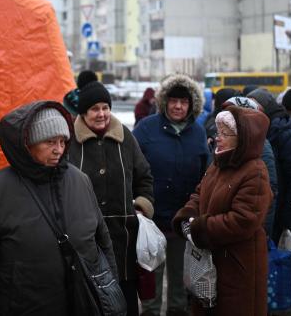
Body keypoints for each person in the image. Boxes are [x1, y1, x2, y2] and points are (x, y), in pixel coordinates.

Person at [0, 101, 119, 315]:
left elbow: (103, 240)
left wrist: (110, 289)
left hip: (83, 303)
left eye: (63, 141)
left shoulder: (80, 180)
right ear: (28, 143)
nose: (59, 149)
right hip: (24, 307)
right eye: (50, 141)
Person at [172, 106, 273, 316]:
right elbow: (199, 195)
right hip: (211, 261)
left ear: (243, 138)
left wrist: (198, 228)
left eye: (225, 133)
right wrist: (186, 217)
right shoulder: (219, 163)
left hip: (237, 267)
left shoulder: (255, 171)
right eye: (218, 132)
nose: (218, 138)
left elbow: (242, 221)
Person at [68, 81, 154, 316]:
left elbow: (144, 176)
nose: (102, 114)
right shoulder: (70, 142)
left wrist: (142, 207)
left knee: (125, 301)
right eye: (95, 108)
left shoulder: (124, 137)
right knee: (91, 300)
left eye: (106, 107)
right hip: (86, 238)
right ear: (84, 112)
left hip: (123, 238)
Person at [133, 73, 209, 316]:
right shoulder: (146, 129)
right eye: (173, 101)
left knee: (180, 278)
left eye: (184, 102)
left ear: (192, 105)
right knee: (150, 278)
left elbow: (206, 174)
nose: (178, 106)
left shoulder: (198, 133)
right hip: (151, 219)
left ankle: (177, 311)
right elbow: (132, 167)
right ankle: (151, 312)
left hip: (182, 220)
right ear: (164, 102)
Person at [248, 88, 291, 242]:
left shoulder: (285, 133)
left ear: (266, 107)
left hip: (282, 215)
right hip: (266, 213)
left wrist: (288, 218)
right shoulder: (256, 131)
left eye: (255, 106)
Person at [221, 96, 278, 236]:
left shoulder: (262, 147)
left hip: (245, 232)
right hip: (223, 226)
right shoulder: (222, 142)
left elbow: (268, 194)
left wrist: (263, 232)